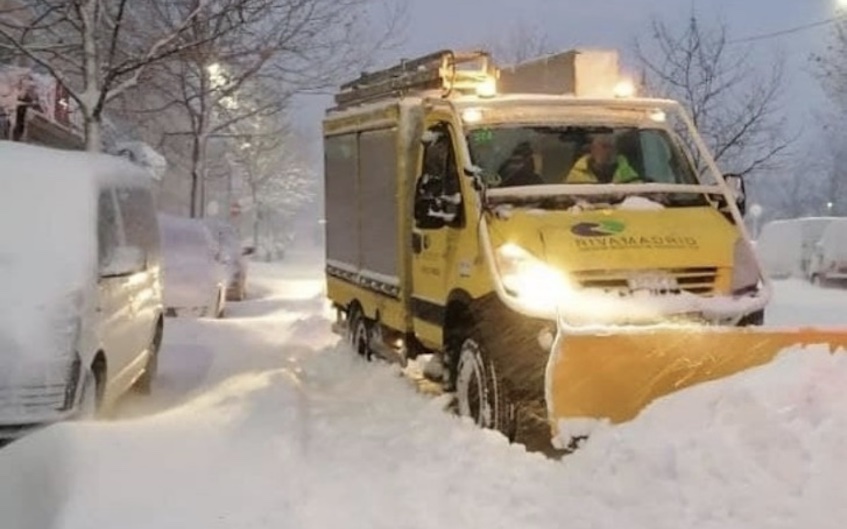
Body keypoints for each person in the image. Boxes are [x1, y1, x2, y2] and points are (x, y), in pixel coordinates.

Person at [564, 133, 640, 184]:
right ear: (592, 149)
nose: (608, 151)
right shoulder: (578, 173)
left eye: (612, 147)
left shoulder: (626, 171)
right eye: (604, 146)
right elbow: (568, 199)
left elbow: (639, 193)